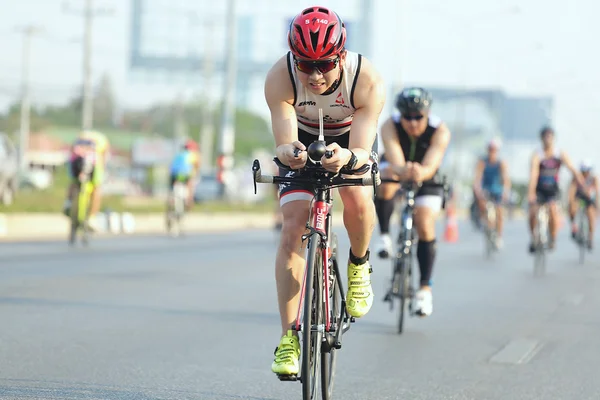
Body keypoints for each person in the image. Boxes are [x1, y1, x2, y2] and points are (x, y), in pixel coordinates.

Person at [266, 6, 385, 377]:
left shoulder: (365, 79)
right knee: (292, 227)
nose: (315, 75)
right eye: (305, 64)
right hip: (302, 139)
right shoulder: (280, 76)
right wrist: (288, 152)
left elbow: (362, 150)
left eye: (325, 64)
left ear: (342, 56)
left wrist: (349, 156)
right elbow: (284, 140)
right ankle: (289, 339)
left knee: (357, 197)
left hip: (350, 140)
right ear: (293, 59)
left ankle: (359, 265)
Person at [374, 87, 451, 317]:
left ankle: (425, 290)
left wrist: (421, 172)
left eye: (418, 117)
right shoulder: (389, 125)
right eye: (407, 117)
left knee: (424, 220)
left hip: (427, 175)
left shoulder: (440, 130)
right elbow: (396, 160)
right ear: (400, 115)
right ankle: (385, 237)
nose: (413, 123)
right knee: (384, 183)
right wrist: (403, 170)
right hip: (398, 168)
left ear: (427, 114)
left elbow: (431, 164)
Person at [527, 126, 584, 252]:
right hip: (539, 189)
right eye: (545, 137)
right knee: (532, 213)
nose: (548, 139)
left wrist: (580, 180)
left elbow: (571, 168)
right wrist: (531, 192)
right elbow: (534, 174)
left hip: (553, 189)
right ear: (541, 139)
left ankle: (552, 238)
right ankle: (533, 238)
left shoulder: (559, 153)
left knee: (553, 210)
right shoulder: (537, 155)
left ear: (553, 138)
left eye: (550, 136)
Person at [64, 130, 110, 230]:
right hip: (89, 164)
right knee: (96, 189)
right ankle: (91, 217)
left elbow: (72, 153)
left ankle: (68, 203)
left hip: (84, 164)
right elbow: (103, 160)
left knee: (74, 183)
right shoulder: (102, 141)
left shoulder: (83, 137)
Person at [472, 138, 511, 248]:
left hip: (497, 190)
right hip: (486, 190)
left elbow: (506, 179)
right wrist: (477, 190)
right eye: (490, 149)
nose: (492, 152)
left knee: (499, 212)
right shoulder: (482, 162)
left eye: (494, 150)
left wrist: (505, 191)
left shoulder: (501, 163)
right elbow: (477, 178)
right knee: (482, 203)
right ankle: (482, 220)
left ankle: (498, 236)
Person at [567, 159, 598, 248]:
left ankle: (590, 238)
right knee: (572, 208)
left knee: (591, 216)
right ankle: (574, 227)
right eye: (583, 171)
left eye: (587, 171)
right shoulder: (576, 178)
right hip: (579, 197)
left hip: (589, 199)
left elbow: (597, 192)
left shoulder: (593, 178)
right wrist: (571, 202)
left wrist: (597, 206)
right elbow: (571, 191)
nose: (585, 173)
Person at [168, 139, 200, 208]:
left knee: (173, 186)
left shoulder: (179, 154)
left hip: (174, 174)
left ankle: (171, 200)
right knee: (190, 185)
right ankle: (189, 202)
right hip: (185, 174)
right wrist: (196, 172)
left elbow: (172, 165)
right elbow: (197, 165)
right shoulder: (192, 155)